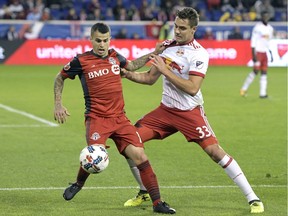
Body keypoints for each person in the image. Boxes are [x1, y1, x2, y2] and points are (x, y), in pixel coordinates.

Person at [120, 7, 264, 214]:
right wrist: (127, 75)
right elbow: (150, 78)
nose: (177, 32)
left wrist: (166, 70)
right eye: (175, 27)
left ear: (193, 29)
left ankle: (253, 199)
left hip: (190, 112)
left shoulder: (199, 54)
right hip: (165, 111)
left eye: (182, 28)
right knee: (128, 141)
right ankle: (144, 192)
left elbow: (192, 88)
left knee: (215, 153)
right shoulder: (167, 47)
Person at [53, 22, 175, 214]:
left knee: (140, 156)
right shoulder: (80, 61)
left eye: (106, 40)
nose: (102, 44)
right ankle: (78, 183)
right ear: (91, 40)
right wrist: (58, 104)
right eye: (98, 40)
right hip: (97, 119)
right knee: (93, 156)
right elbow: (59, 78)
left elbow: (133, 65)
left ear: (110, 39)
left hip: (120, 119)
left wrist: (154, 53)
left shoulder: (114, 56)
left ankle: (157, 202)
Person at [240, 10, 274, 98]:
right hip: (258, 52)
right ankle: (243, 89)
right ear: (261, 17)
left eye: (267, 16)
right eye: (264, 16)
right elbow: (253, 40)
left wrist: (270, 53)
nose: (265, 18)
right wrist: (253, 53)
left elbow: (268, 42)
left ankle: (263, 93)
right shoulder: (257, 27)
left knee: (264, 72)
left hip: (264, 53)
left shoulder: (270, 28)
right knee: (255, 71)